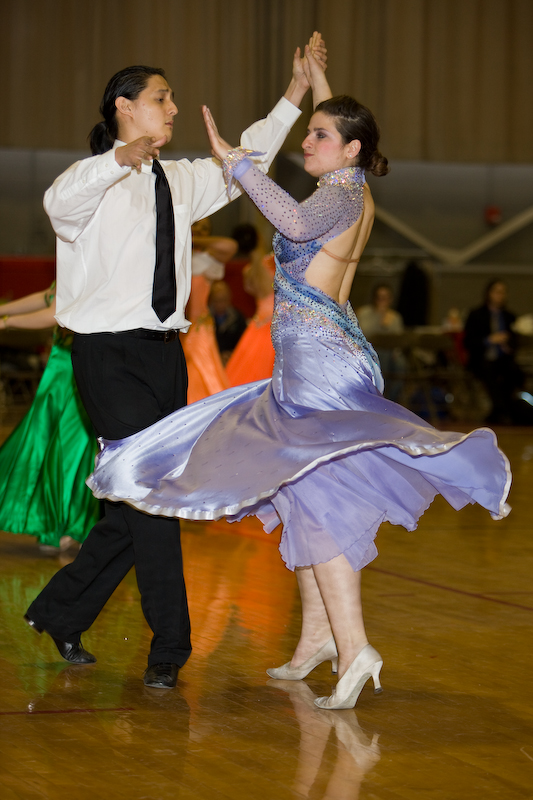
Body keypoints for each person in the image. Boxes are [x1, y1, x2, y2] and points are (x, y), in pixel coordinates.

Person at [87, 49, 511, 708]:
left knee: (319, 498)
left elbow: (292, 221)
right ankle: (317, 636)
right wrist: (315, 83)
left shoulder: (337, 196)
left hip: (320, 366)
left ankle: (354, 647)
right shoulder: (346, 182)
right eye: (309, 131)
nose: (306, 142)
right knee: (296, 492)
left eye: (318, 135)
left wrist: (237, 165)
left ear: (350, 149)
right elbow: (340, 133)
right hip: (312, 362)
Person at [25, 35, 327, 689]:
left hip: (166, 359)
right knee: (154, 501)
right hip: (107, 357)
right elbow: (57, 204)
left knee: (132, 508)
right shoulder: (89, 182)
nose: (174, 108)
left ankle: (59, 611)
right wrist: (118, 158)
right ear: (124, 106)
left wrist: (295, 92)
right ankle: (170, 646)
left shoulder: (182, 181)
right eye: (162, 98)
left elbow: (247, 157)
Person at [0, 286, 100, 553]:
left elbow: (56, 311)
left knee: (71, 450)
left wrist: (5, 322)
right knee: (42, 444)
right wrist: (2, 311)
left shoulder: (87, 263)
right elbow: (49, 296)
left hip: (77, 366)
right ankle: (56, 523)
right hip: (59, 368)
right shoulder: (71, 263)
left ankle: (75, 526)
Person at [181, 219, 236, 401]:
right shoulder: (175, 255)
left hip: (198, 328)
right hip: (173, 328)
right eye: (196, 225)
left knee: (199, 370)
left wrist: (190, 237)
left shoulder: (207, 260)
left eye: (205, 228)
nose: (200, 230)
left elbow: (230, 246)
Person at [463, 279, 524, 424]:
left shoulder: (510, 317)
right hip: (482, 358)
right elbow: (468, 342)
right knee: (488, 371)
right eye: (497, 292)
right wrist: (489, 340)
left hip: (503, 359)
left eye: (503, 292)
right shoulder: (476, 315)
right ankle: (502, 411)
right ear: (489, 294)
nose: (500, 296)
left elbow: (516, 343)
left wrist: (508, 345)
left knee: (515, 372)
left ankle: (502, 411)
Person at [226, 245, 276, 385]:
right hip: (269, 324)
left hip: (261, 323)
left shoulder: (254, 270)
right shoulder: (271, 265)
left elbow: (249, 287)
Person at [356, 283, 406, 401]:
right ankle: (379, 397)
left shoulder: (395, 317)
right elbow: (365, 334)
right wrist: (381, 320)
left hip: (391, 353)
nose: (382, 301)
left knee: (401, 364)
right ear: (374, 298)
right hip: (368, 352)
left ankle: (390, 398)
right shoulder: (364, 313)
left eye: (385, 298)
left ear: (390, 299)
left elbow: (398, 340)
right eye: (379, 297)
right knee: (383, 356)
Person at [208, 280, 247, 364]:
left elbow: (244, 344)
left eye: (223, 300)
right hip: (211, 361)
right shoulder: (205, 320)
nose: (220, 304)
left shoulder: (238, 318)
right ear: (211, 300)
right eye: (217, 300)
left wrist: (231, 355)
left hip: (233, 360)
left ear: (229, 299)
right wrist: (218, 356)